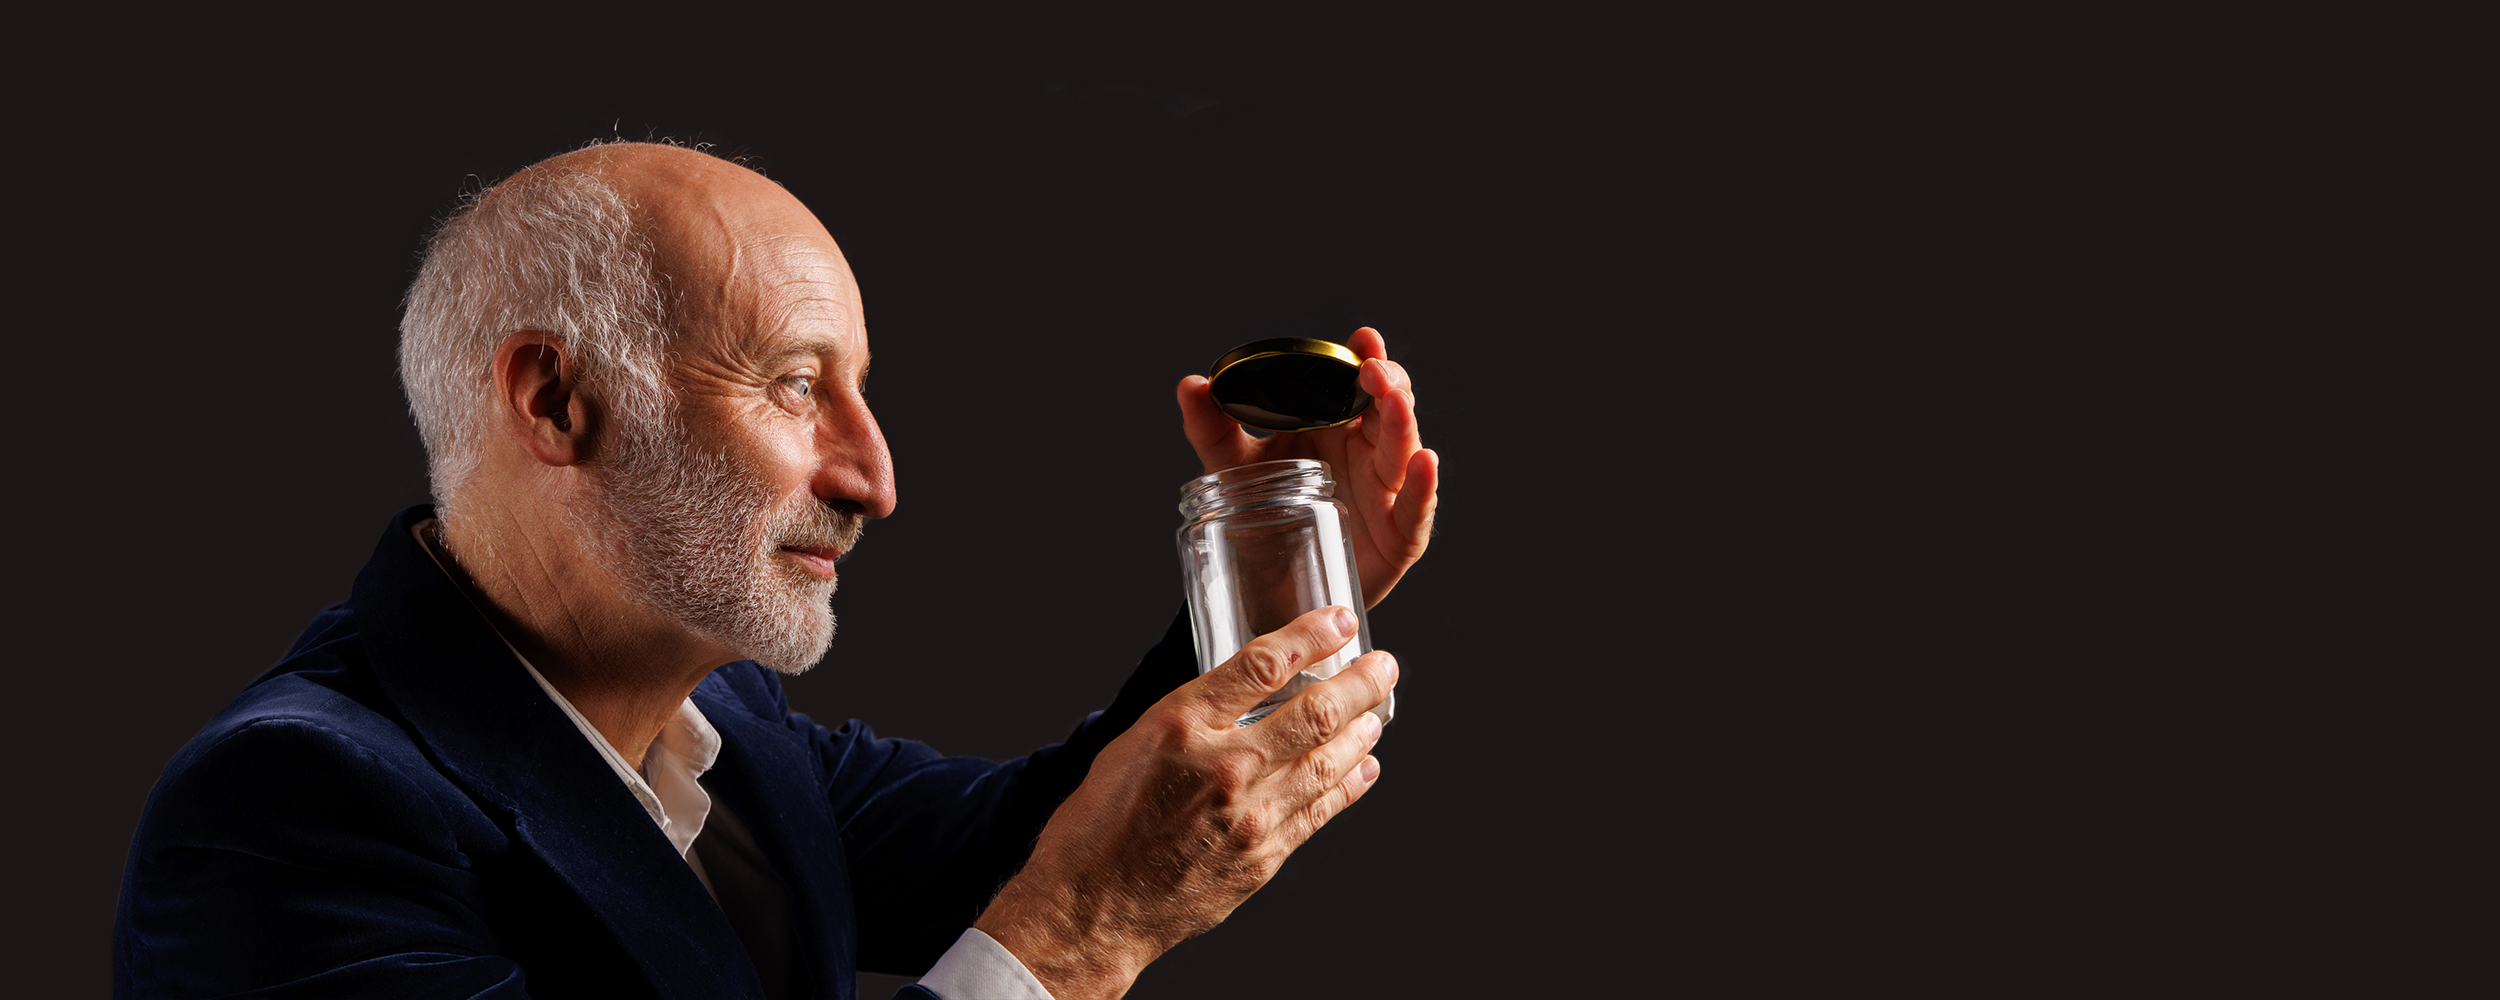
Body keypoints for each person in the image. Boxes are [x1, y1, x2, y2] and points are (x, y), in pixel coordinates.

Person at [111, 141, 1438, 999]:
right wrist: (1078, 940)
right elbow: (1066, 888)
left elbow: (1037, 837)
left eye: (860, 390)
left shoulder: (723, 720)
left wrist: (1279, 562)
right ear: (557, 402)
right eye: (798, 385)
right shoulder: (282, 814)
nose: (875, 479)